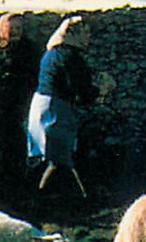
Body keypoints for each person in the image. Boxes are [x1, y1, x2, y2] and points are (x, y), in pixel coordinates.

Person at [27, 16, 98, 199]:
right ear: (74, 34)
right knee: (58, 158)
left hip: (43, 106)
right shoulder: (68, 56)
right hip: (54, 109)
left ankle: (38, 196)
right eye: (85, 32)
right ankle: (43, 198)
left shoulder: (54, 52)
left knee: (47, 156)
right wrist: (102, 89)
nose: (88, 37)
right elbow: (83, 92)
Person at [0, 13, 39, 207]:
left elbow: (33, 77)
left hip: (19, 108)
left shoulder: (29, 50)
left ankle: (18, 194)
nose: (14, 34)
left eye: (18, 29)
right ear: (1, 30)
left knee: (17, 151)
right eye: (10, 30)